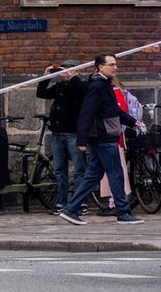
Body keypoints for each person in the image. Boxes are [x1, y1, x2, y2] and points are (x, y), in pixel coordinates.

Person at [59, 54, 142, 226]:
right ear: (99, 67)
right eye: (111, 64)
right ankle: (123, 212)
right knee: (116, 174)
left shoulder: (105, 84)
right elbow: (86, 112)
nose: (115, 67)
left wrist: (133, 122)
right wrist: (81, 140)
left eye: (116, 64)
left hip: (102, 137)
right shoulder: (98, 86)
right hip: (104, 137)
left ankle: (70, 209)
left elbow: (113, 111)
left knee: (92, 176)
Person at [35, 60, 88, 215]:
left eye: (70, 70)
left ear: (77, 71)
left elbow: (80, 92)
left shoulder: (81, 85)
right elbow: (41, 93)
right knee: (59, 170)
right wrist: (46, 77)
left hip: (74, 134)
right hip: (58, 135)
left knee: (79, 170)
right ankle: (61, 202)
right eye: (64, 69)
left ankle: (80, 203)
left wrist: (73, 77)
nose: (65, 72)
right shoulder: (59, 87)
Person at [94, 76, 134, 217]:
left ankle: (117, 203)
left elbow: (117, 112)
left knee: (114, 172)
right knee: (110, 172)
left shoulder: (114, 92)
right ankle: (115, 202)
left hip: (112, 137)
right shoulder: (115, 92)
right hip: (112, 136)